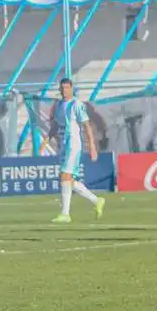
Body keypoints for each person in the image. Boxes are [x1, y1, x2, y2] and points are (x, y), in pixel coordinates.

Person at [45, 78, 105, 223]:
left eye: (67, 88)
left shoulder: (76, 105)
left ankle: (65, 214)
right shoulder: (59, 105)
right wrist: (45, 141)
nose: (64, 91)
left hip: (73, 145)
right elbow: (55, 126)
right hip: (64, 145)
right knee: (69, 180)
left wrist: (92, 146)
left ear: (72, 89)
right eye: (62, 88)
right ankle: (96, 200)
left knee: (65, 176)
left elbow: (86, 126)